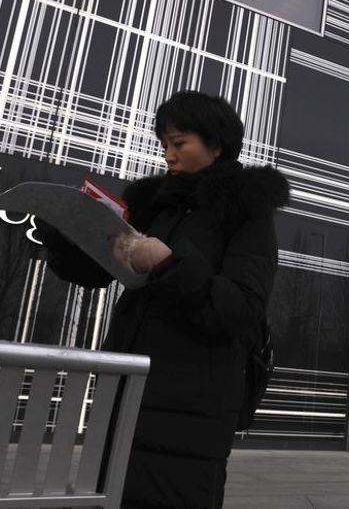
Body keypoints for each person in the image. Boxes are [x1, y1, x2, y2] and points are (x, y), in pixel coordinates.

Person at [40, 91, 289, 508]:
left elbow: (241, 310)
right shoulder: (155, 206)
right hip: (126, 399)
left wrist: (168, 264)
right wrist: (65, 235)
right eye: (164, 145)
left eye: (179, 143)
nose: (168, 155)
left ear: (216, 143)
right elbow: (98, 272)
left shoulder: (246, 211)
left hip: (190, 413)